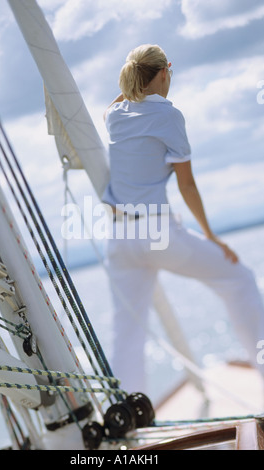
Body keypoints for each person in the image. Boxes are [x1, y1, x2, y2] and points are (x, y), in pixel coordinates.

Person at [102, 44, 264, 394]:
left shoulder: (115, 116)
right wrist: (212, 237)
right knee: (239, 278)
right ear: (164, 72)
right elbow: (187, 185)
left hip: (117, 237)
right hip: (158, 234)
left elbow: (115, 103)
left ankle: (132, 414)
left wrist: (135, 76)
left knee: (127, 329)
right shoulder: (169, 116)